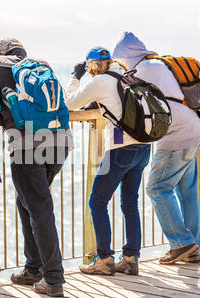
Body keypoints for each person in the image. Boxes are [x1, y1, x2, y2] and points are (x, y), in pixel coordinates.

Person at [0, 38, 74, 297]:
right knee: (27, 203)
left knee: (39, 207)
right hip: (61, 142)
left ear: (0, 52)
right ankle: (33, 268)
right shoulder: (38, 68)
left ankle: (53, 279)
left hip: (27, 146)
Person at [113, 32, 200, 264]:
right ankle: (193, 244)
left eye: (121, 60)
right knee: (187, 191)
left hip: (177, 137)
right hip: (194, 128)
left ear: (127, 56)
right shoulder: (160, 63)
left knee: (157, 188)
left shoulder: (143, 70)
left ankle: (181, 243)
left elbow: (123, 101)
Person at [66, 47, 151, 276]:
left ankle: (104, 259)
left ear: (91, 65)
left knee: (97, 202)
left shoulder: (101, 81)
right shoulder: (128, 76)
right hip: (143, 148)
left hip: (120, 151)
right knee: (130, 204)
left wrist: (75, 76)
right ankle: (131, 258)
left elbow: (70, 103)